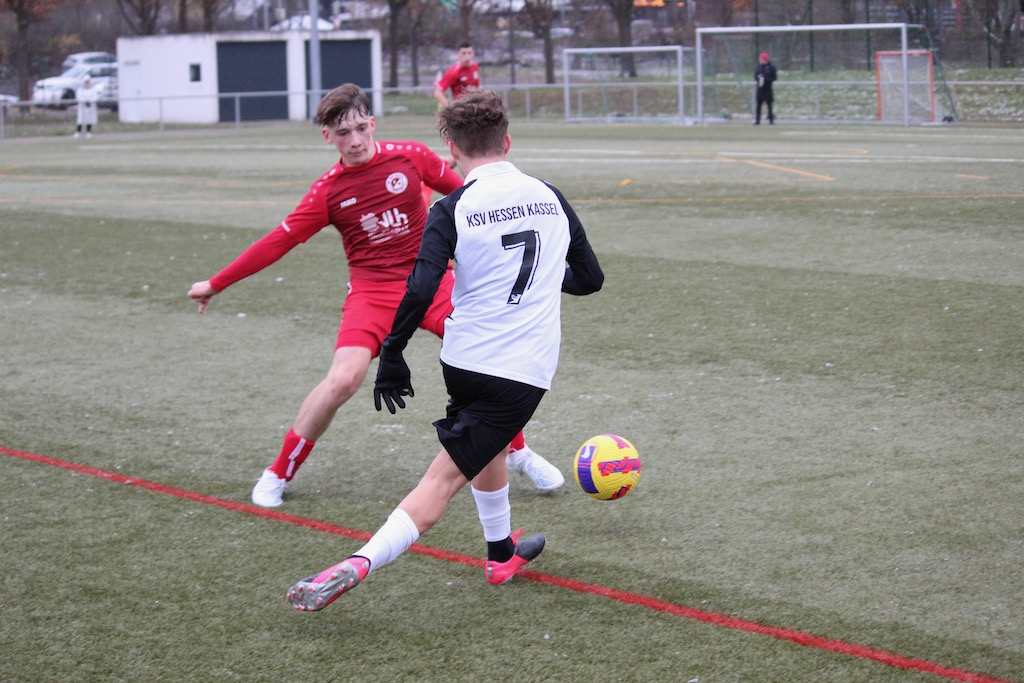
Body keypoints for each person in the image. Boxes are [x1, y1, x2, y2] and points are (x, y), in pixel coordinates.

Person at [287, 89, 604, 611]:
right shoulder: (549, 195)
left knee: (489, 440)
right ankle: (361, 560)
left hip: (463, 360)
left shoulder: (451, 207)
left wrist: (392, 356)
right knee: (442, 480)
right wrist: (549, 279)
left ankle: (500, 552)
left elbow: (420, 286)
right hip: (519, 370)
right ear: (507, 141)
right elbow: (590, 279)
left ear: (452, 149)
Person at [187, 84, 563, 510]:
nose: (356, 140)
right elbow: (279, 241)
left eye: (361, 127)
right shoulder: (327, 191)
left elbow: (469, 195)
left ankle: (517, 451)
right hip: (372, 292)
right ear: (329, 137)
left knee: (487, 356)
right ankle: (278, 471)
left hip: (431, 281)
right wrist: (216, 283)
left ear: (372, 123)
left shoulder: (411, 157)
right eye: (344, 133)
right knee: (343, 380)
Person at [433, 41, 480, 107]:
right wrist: (451, 107)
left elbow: (478, 87)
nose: (467, 56)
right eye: (463, 53)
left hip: (475, 106)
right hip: (462, 108)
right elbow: (438, 93)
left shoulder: (475, 66)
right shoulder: (453, 71)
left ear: (473, 53)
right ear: (457, 54)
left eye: (469, 53)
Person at [755, 52, 777, 125]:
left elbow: (774, 77)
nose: (760, 60)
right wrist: (759, 79)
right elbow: (755, 76)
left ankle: (771, 120)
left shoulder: (771, 67)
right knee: (758, 105)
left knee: (769, 105)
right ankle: (757, 120)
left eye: (761, 59)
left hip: (768, 89)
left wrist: (766, 80)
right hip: (760, 89)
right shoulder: (759, 67)